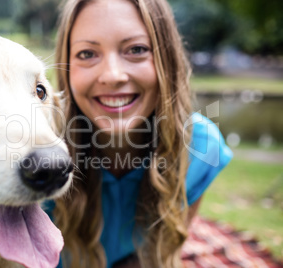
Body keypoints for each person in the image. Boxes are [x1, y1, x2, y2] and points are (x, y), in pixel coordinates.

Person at [45, 0, 233, 267]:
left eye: (136, 49)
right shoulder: (41, 156)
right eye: (87, 53)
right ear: (66, 67)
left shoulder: (200, 148)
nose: (112, 75)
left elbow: (160, 256)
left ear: (166, 60)